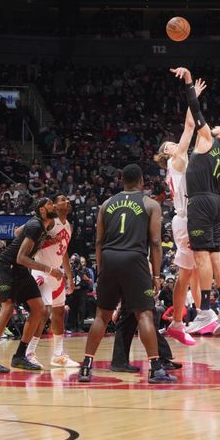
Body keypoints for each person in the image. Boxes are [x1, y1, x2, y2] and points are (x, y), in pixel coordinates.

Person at [76, 164, 176, 384]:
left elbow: (99, 242)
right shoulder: (150, 204)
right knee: (144, 315)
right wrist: (157, 275)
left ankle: (86, 367)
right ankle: (156, 369)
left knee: (102, 315)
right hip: (134, 258)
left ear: (122, 181)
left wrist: (101, 271)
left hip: (110, 258)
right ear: (141, 182)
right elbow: (156, 242)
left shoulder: (106, 204)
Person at [171, 67, 220, 337]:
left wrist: (188, 82)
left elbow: (195, 110)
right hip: (215, 204)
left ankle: (206, 310)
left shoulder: (209, 139)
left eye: (219, 127)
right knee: (214, 254)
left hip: (199, 201)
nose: (215, 126)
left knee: (201, 255)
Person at [153, 76, 206, 345]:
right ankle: (178, 323)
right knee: (187, 274)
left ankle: (200, 315)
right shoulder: (177, 160)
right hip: (184, 220)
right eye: (170, 144)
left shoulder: (178, 163)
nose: (175, 143)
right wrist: (192, 95)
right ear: (167, 152)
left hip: (186, 218)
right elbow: (189, 125)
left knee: (195, 271)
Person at [0, 197, 60, 372]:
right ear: (41, 210)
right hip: (9, 267)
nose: (53, 206)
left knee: (39, 309)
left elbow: (18, 231)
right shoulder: (35, 226)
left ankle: (19, 356)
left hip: (20, 270)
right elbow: (21, 258)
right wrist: (49, 269)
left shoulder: (39, 226)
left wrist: (45, 238)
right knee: (8, 309)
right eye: (49, 204)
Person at [28, 193, 78, 368]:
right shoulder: (49, 222)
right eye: (63, 199)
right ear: (55, 207)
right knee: (42, 313)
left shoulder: (68, 225)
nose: (67, 201)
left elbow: (63, 251)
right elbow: (26, 234)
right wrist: (48, 238)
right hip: (42, 271)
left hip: (57, 273)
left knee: (58, 314)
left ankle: (58, 355)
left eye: (67, 199)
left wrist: (69, 275)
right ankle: (29, 353)